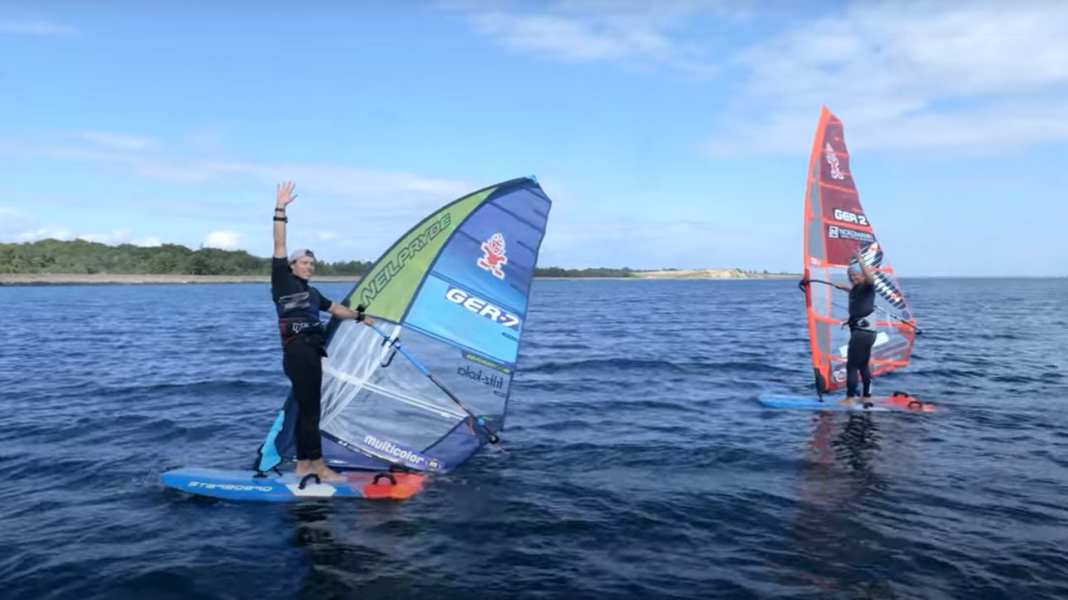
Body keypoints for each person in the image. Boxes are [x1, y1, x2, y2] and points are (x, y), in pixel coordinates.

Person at [272, 181, 373, 481]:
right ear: (292, 265)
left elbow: (336, 309)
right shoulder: (282, 280)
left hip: (313, 352)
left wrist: (361, 316)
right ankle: (313, 464)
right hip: (297, 350)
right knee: (310, 409)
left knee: (311, 409)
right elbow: (279, 244)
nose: (308, 267)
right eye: (304, 262)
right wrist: (280, 208)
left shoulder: (313, 293)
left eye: (312, 264)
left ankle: (308, 463)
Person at [834, 246, 877, 406]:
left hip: (862, 332)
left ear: (862, 274)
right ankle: (866, 395)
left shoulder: (868, 286)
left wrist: (860, 260)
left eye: (855, 275)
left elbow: (870, 278)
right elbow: (855, 297)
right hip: (865, 331)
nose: (853, 278)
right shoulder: (857, 289)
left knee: (852, 364)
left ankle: (850, 397)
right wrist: (843, 288)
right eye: (850, 276)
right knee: (863, 364)